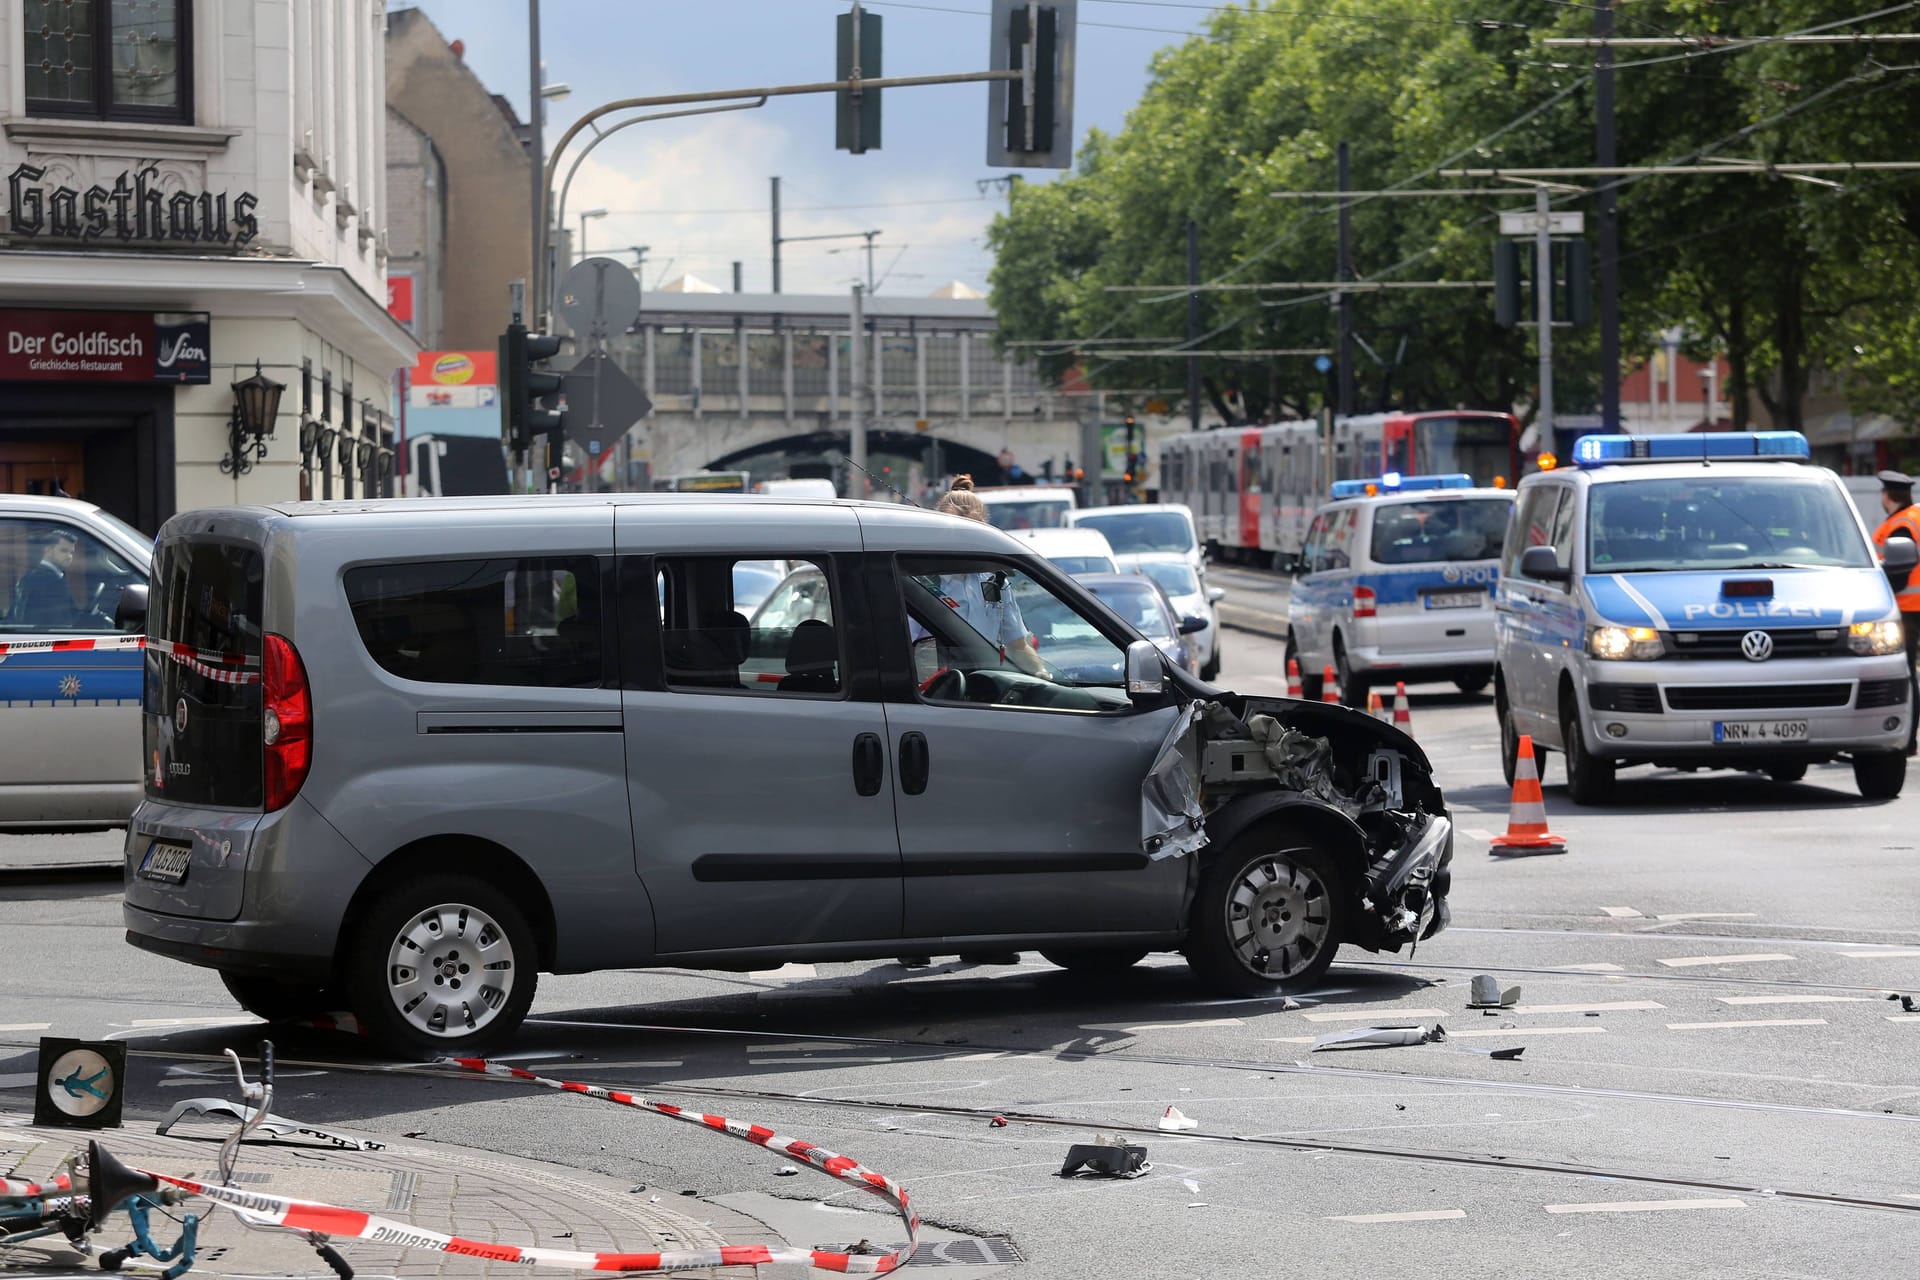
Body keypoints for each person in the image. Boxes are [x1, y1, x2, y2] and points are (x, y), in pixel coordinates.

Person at [930, 476, 1050, 679]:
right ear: (944, 534)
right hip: (936, 694)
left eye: (979, 534)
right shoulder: (923, 581)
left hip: (984, 688)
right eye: (965, 535)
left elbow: (1017, 645)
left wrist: (1042, 675)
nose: (974, 544)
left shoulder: (995, 580)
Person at [1872, 470, 1920, 756]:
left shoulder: (1899, 525)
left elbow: (1898, 574)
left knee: (1906, 673)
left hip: (1907, 609)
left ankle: (1908, 738)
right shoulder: (1916, 515)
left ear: (1887, 496)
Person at [11, 528, 84, 629]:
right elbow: (63, 624)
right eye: (64, 551)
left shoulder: (29, 577)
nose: (69, 556)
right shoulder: (52, 582)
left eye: (71, 552)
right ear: (48, 550)